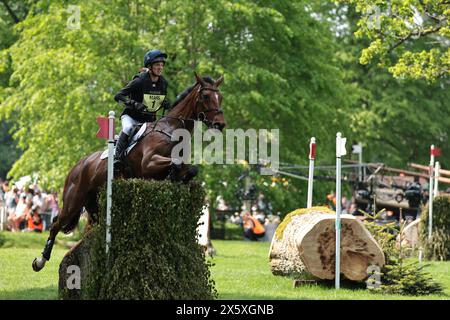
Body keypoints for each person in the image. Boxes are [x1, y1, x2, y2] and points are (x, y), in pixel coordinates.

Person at [113, 49, 171, 171]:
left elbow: (153, 103)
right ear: (149, 66)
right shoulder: (139, 81)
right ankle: (116, 158)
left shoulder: (163, 83)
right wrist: (133, 103)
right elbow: (118, 96)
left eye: (161, 65)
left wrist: (163, 104)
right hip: (131, 117)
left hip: (148, 121)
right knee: (128, 128)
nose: (160, 68)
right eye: (157, 65)